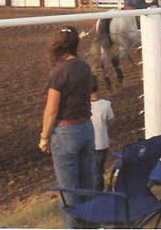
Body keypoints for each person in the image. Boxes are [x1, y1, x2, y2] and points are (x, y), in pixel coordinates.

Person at [39, 25, 95, 228]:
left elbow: (51, 110)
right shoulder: (85, 66)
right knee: (87, 186)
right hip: (87, 128)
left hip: (66, 132)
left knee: (69, 193)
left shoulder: (58, 72)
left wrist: (44, 137)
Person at [89, 79, 114, 191]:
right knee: (98, 171)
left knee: (93, 174)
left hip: (88, 145)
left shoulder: (82, 106)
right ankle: (98, 194)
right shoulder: (105, 104)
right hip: (102, 143)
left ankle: (95, 196)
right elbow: (110, 121)